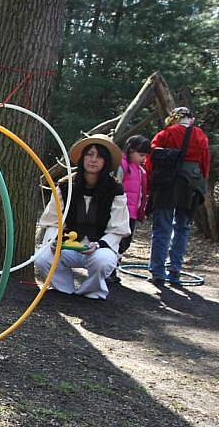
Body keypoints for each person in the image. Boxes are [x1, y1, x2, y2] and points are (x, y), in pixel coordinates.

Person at [34, 134, 131, 300]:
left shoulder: (114, 189)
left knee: (103, 261)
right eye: (90, 154)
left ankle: (90, 291)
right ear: (83, 157)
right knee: (43, 258)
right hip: (68, 246)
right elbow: (52, 220)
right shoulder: (66, 186)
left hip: (97, 249)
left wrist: (100, 244)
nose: (93, 160)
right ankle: (64, 289)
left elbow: (118, 227)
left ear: (105, 161)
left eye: (99, 156)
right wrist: (54, 241)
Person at [146, 106, 210, 286]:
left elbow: (152, 157)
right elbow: (205, 163)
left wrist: (151, 181)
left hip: (167, 185)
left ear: (174, 118)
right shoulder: (200, 135)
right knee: (182, 227)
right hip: (191, 185)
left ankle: (158, 272)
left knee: (162, 228)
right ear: (191, 118)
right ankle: (175, 270)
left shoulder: (166, 134)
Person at [107, 134, 150, 282]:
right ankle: (109, 270)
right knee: (116, 241)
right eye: (141, 155)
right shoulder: (122, 165)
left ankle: (113, 268)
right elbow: (114, 186)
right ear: (131, 150)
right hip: (120, 212)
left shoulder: (139, 170)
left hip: (131, 213)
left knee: (125, 243)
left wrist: (141, 211)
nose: (143, 159)